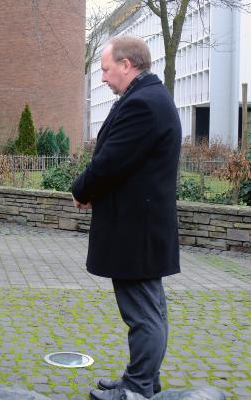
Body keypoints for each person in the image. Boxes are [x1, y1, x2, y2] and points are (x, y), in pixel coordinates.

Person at [71, 36, 182, 400]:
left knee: (143, 314)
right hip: (140, 227)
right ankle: (143, 379)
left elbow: (111, 162)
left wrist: (82, 190)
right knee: (149, 309)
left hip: (136, 229)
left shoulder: (143, 105)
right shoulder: (148, 98)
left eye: (105, 69)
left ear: (126, 65)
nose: (102, 78)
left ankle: (136, 389)